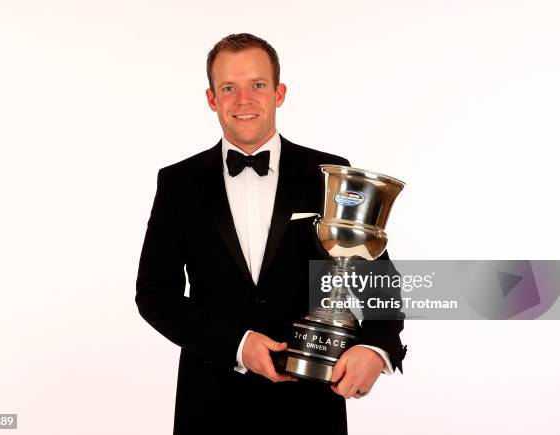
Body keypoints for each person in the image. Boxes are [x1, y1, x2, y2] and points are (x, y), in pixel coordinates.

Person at [136, 33, 406, 435]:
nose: (243, 100)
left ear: (279, 93)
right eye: (229, 88)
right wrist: (238, 344)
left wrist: (376, 347)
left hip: (311, 404)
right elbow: (155, 293)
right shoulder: (179, 182)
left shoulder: (329, 173)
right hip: (209, 404)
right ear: (212, 98)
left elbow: (378, 281)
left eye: (257, 85)